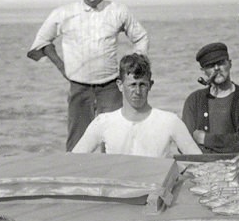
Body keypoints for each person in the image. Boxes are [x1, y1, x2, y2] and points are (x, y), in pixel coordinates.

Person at [27, 0, 149, 150]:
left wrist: (135, 67)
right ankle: (76, 175)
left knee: (115, 138)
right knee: (78, 140)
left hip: (110, 87)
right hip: (79, 88)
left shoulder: (118, 11)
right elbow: (42, 42)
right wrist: (62, 67)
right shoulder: (64, 13)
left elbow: (140, 37)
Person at [70, 53, 201, 158]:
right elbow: (73, 161)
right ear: (120, 85)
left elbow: (200, 163)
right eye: (132, 85)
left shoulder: (170, 121)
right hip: (118, 189)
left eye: (142, 84)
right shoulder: (103, 122)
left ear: (150, 85)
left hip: (156, 189)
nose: (138, 92)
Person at [181, 42, 239, 157]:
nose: (217, 68)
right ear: (203, 71)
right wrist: (226, 145)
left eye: (221, 62)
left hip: (236, 171)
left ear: (230, 64)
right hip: (201, 170)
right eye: (210, 65)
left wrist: (205, 139)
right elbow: (184, 145)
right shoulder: (193, 100)